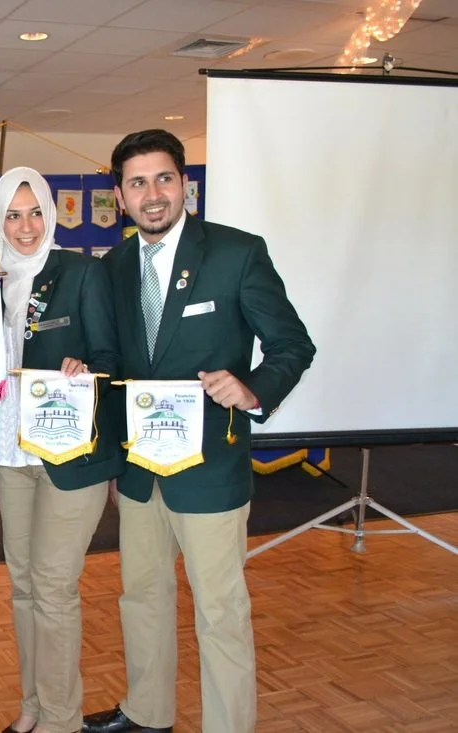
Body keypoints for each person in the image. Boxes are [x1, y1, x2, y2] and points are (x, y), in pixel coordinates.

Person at [82, 129, 315, 733]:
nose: (152, 194)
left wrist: (254, 387)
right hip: (139, 472)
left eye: (163, 178)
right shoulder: (111, 268)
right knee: (142, 598)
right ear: (120, 196)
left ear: (184, 183)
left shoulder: (237, 253)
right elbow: (115, 364)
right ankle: (147, 711)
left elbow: (293, 343)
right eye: (137, 183)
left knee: (220, 611)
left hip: (210, 468)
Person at [0, 167, 124, 733]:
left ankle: (62, 720)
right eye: (12, 215)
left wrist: (87, 370)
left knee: (55, 586)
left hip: (72, 455)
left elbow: (112, 359)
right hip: (12, 455)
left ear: (51, 212)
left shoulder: (82, 273)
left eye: (35, 211)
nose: (25, 226)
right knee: (22, 585)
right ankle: (33, 706)